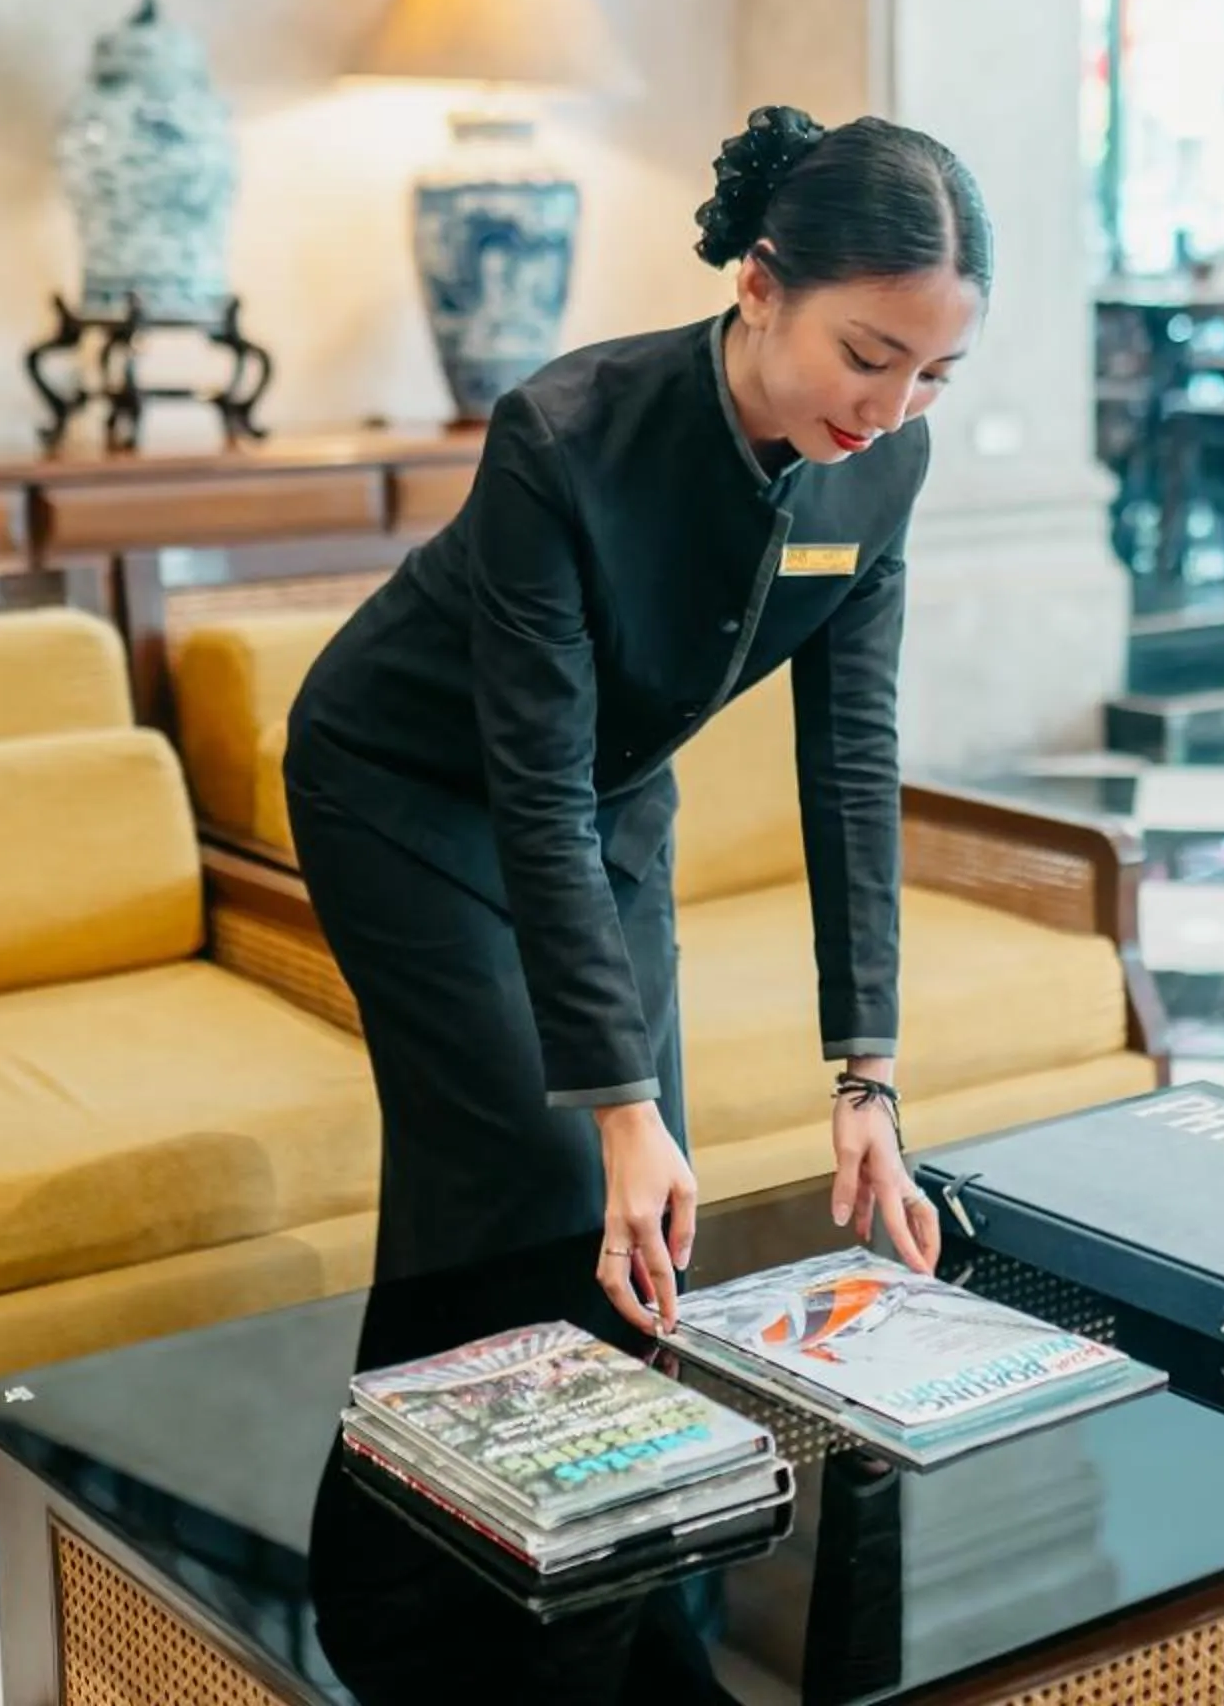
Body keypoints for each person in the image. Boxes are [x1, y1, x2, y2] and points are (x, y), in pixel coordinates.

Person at [282, 105, 984, 1337]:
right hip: (401, 794)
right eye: (869, 354)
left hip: (606, 801)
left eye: (934, 373)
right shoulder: (563, 436)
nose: (893, 405)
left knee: (652, 1194)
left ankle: (618, 1489)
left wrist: (867, 1077)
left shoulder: (882, 466)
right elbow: (534, 782)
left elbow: (851, 761)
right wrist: (616, 1101)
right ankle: (425, 1496)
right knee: (539, 1163)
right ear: (761, 286)